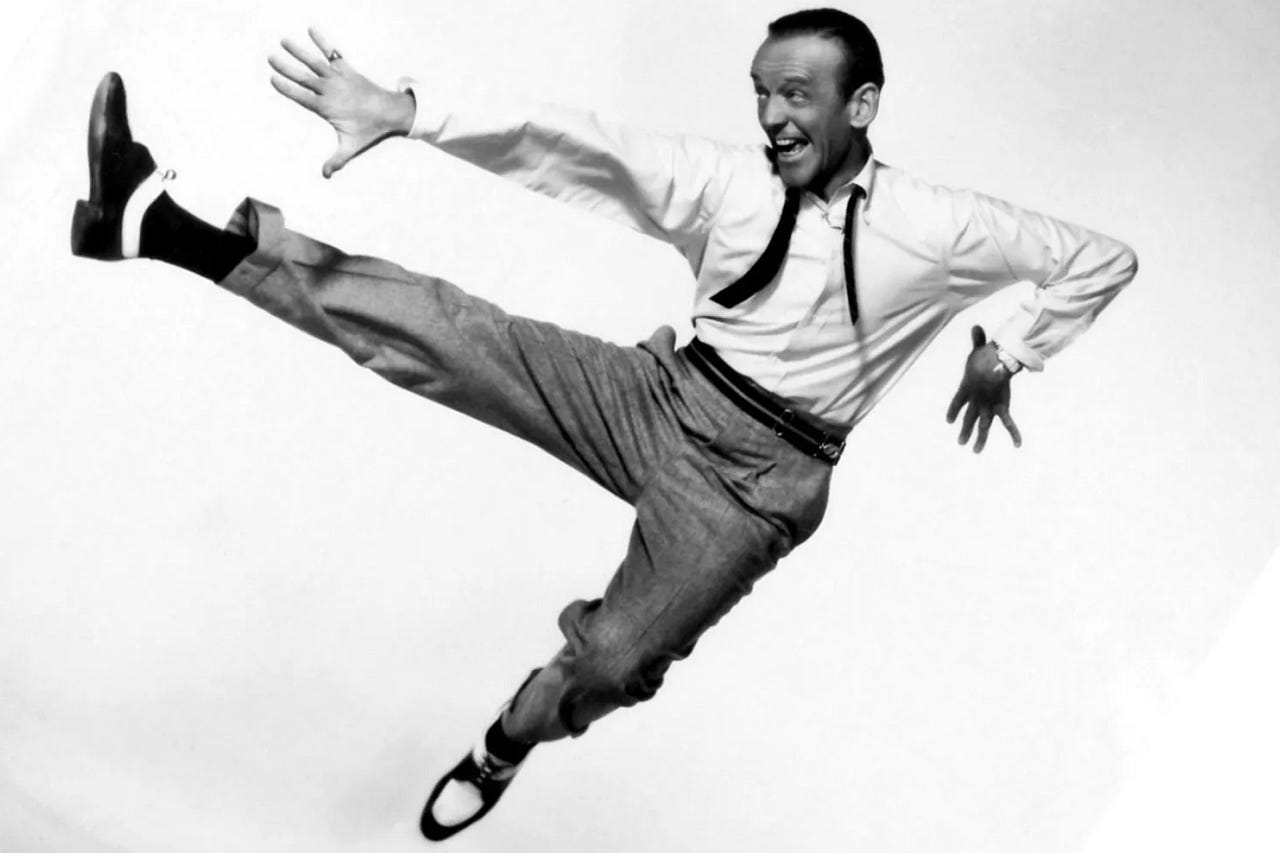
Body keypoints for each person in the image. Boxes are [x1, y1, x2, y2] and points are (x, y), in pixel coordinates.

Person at [70, 8, 1137, 842]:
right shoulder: (727, 182)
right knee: (450, 334)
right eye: (760, 92)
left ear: (861, 105)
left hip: (757, 487)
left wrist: (1008, 350)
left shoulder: (939, 226)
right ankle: (157, 225)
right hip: (659, 398)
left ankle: (508, 739)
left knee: (616, 659)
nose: (772, 117)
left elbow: (1098, 258)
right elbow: (576, 146)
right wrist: (409, 111)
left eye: (796, 94)